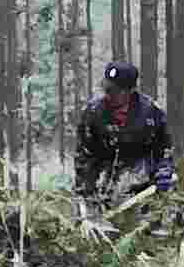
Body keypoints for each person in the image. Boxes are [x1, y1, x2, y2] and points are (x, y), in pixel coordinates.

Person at [73, 60, 174, 200]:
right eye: (106, 89)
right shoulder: (92, 113)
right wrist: (85, 191)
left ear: (130, 91)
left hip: (142, 188)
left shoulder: (151, 113)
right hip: (102, 188)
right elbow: (84, 156)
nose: (108, 95)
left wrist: (163, 172)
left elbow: (163, 148)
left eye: (114, 91)